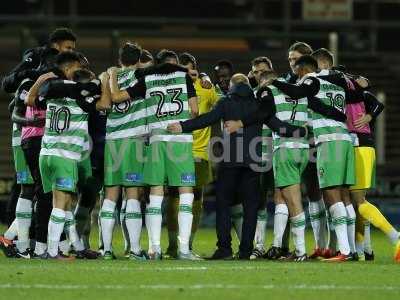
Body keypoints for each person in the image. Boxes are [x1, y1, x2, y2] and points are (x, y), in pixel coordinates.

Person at [312, 48, 400, 262]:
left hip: (357, 144)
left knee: (358, 201)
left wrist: (368, 116)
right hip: (359, 144)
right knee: (356, 201)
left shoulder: (341, 87)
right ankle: (363, 250)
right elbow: (372, 95)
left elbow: (373, 97)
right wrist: (370, 115)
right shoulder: (348, 86)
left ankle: (396, 237)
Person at [109, 51, 199, 260]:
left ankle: (154, 248)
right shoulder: (183, 77)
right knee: (186, 194)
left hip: (157, 141)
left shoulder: (147, 80)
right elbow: (194, 111)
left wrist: (112, 75)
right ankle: (184, 250)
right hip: (181, 141)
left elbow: (116, 98)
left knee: (155, 196)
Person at [271, 55, 355, 261]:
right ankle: (352, 249)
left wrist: (273, 82)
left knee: (332, 194)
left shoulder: (311, 80)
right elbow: (328, 108)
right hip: (345, 139)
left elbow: (297, 92)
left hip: (329, 141)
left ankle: (344, 251)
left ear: (302, 71)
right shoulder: (336, 86)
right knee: (343, 196)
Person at [26, 51, 109, 259]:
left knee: (59, 204)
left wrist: (39, 81)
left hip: (46, 154)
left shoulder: (52, 97)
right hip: (64, 156)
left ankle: (71, 247)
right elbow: (105, 104)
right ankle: (53, 251)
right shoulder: (82, 101)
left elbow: (30, 100)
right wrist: (104, 81)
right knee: (61, 205)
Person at [164, 52, 219, 259]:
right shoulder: (183, 87)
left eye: (190, 70)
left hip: (197, 151)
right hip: (179, 149)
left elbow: (221, 105)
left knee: (194, 199)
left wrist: (206, 79)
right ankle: (173, 245)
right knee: (175, 198)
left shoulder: (205, 88)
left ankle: (186, 244)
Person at [99, 42, 148, 260]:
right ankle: (135, 250)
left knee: (110, 194)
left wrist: (110, 76)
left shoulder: (108, 76)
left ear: (120, 59)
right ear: (138, 60)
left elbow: (106, 104)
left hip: (112, 141)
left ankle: (106, 249)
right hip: (133, 140)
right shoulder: (142, 76)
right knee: (133, 194)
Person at [2, 28, 76, 93]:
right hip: (33, 102)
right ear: (56, 45)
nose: (71, 52)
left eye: (72, 49)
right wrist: (31, 74)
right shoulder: (37, 55)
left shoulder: (73, 62)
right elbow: (7, 83)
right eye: (68, 48)